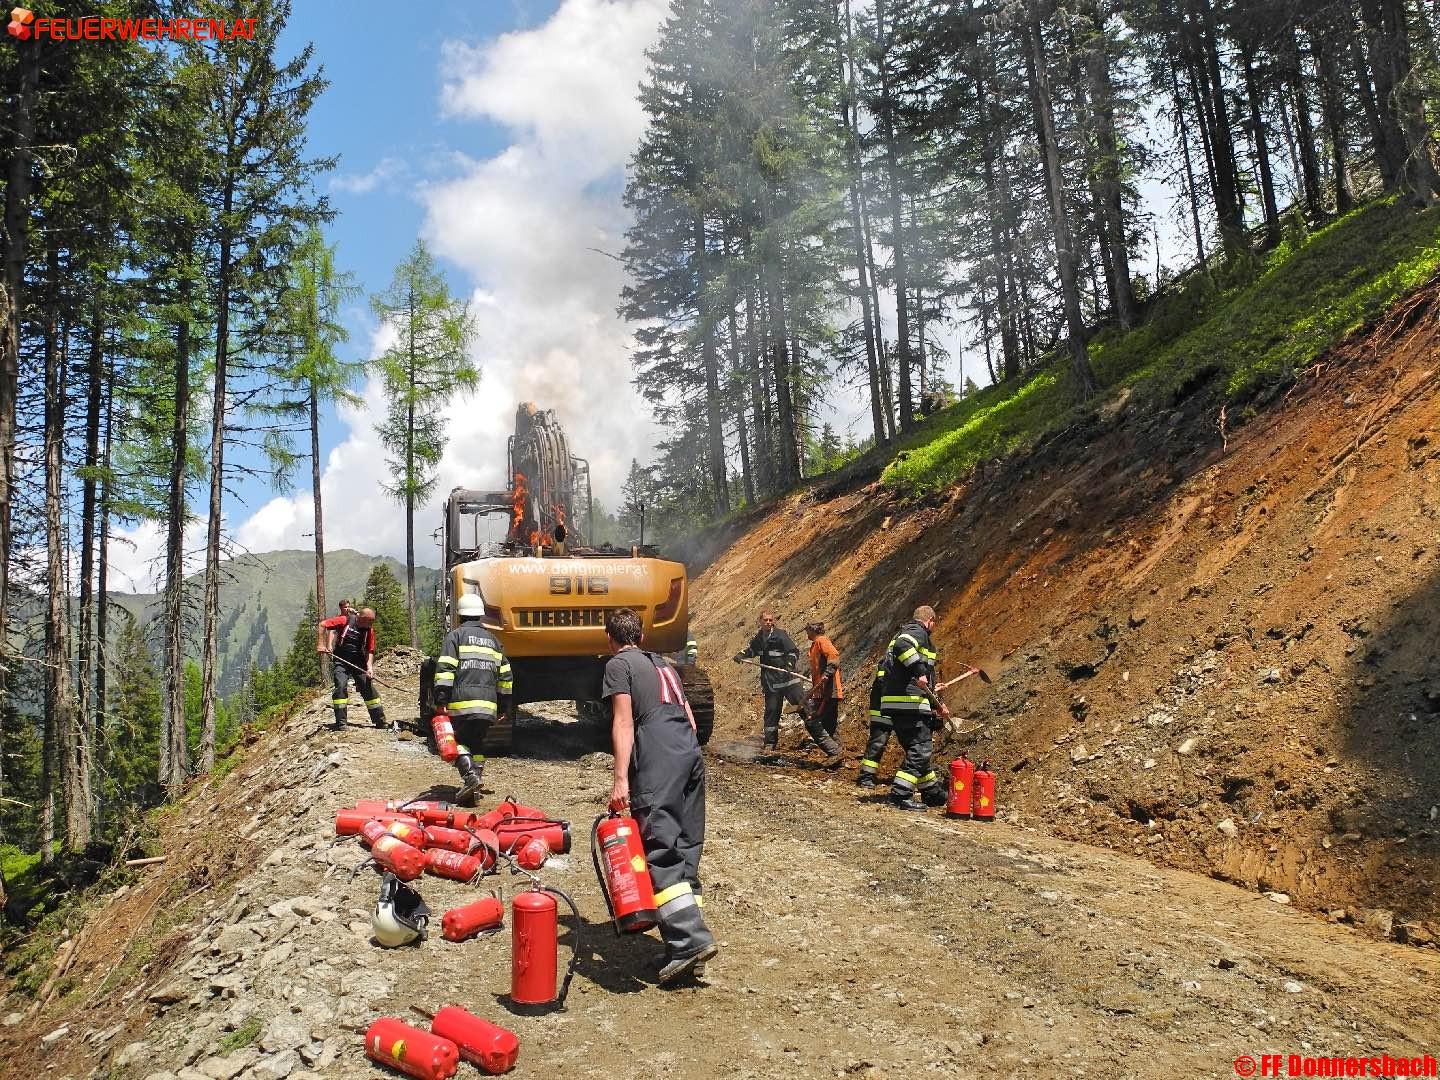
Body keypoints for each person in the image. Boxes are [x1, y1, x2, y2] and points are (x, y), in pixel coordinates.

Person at [603, 607, 718, 985]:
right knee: (685, 848)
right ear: (642, 636)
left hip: (660, 756)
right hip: (689, 753)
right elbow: (691, 716)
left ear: (611, 638)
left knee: (657, 845)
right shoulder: (665, 664)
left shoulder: (619, 665)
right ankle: (684, 950)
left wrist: (621, 779)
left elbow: (622, 721)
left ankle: (689, 941)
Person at [432, 593, 513, 806]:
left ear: (460, 615)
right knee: (476, 744)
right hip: (488, 705)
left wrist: (441, 700)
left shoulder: (455, 637)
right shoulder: (494, 641)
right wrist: (505, 705)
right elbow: (506, 676)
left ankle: (470, 777)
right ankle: (475, 786)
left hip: (461, 702)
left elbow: (445, 671)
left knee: (456, 741)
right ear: (480, 616)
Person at [878, 605, 950, 811]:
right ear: (930, 621)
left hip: (897, 702)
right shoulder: (916, 632)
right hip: (909, 703)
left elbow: (923, 680)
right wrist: (920, 671)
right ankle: (900, 795)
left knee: (915, 749)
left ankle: (932, 792)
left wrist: (937, 701)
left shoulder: (904, 632)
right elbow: (904, 647)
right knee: (921, 749)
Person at [732, 610, 805, 750]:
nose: (768, 622)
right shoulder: (760, 638)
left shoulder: (780, 635)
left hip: (789, 681)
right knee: (771, 713)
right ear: (760, 621)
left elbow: (793, 652)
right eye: (765, 620)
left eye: (771, 620)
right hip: (772, 684)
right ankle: (770, 744)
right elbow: (752, 650)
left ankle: (829, 744)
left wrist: (790, 663)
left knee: (805, 709)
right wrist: (741, 655)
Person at [318, 606, 387, 730]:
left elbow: (369, 650)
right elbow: (322, 625)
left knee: (368, 687)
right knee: (340, 686)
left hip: (358, 661)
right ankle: (341, 723)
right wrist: (321, 644)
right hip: (341, 660)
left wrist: (369, 668)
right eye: (370, 621)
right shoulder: (345, 621)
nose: (371, 624)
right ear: (361, 618)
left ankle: (380, 721)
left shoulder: (369, 631)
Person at [800, 621, 844, 769]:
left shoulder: (822, 641)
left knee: (812, 722)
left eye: (807, 631)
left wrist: (828, 671)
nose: (806, 634)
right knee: (830, 725)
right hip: (823, 692)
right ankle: (838, 759)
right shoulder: (814, 645)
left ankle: (835, 752)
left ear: (813, 631)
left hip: (827, 692)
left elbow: (833, 655)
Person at [856, 636, 896, 788]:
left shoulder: (894, 655)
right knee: (879, 740)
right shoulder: (892, 662)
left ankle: (866, 776)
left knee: (912, 743)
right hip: (885, 704)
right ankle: (866, 776)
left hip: (889, 703)